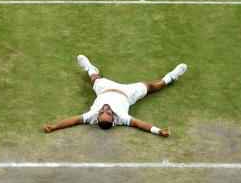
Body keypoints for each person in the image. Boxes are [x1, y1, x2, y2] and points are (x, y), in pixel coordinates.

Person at [43, 55, 187, 137]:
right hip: (128, 93)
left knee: (94, 78)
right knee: (150, 86)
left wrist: (54, 127)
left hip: (104, 89)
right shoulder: (122, 119)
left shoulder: (92, 115)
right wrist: (158, 131)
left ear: (97, 117)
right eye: (108, 112)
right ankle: (172, 76)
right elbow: (139, 124)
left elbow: (73, 121)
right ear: (113, 119)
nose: (105, 109)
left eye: (102, 112)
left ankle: (89, 68)